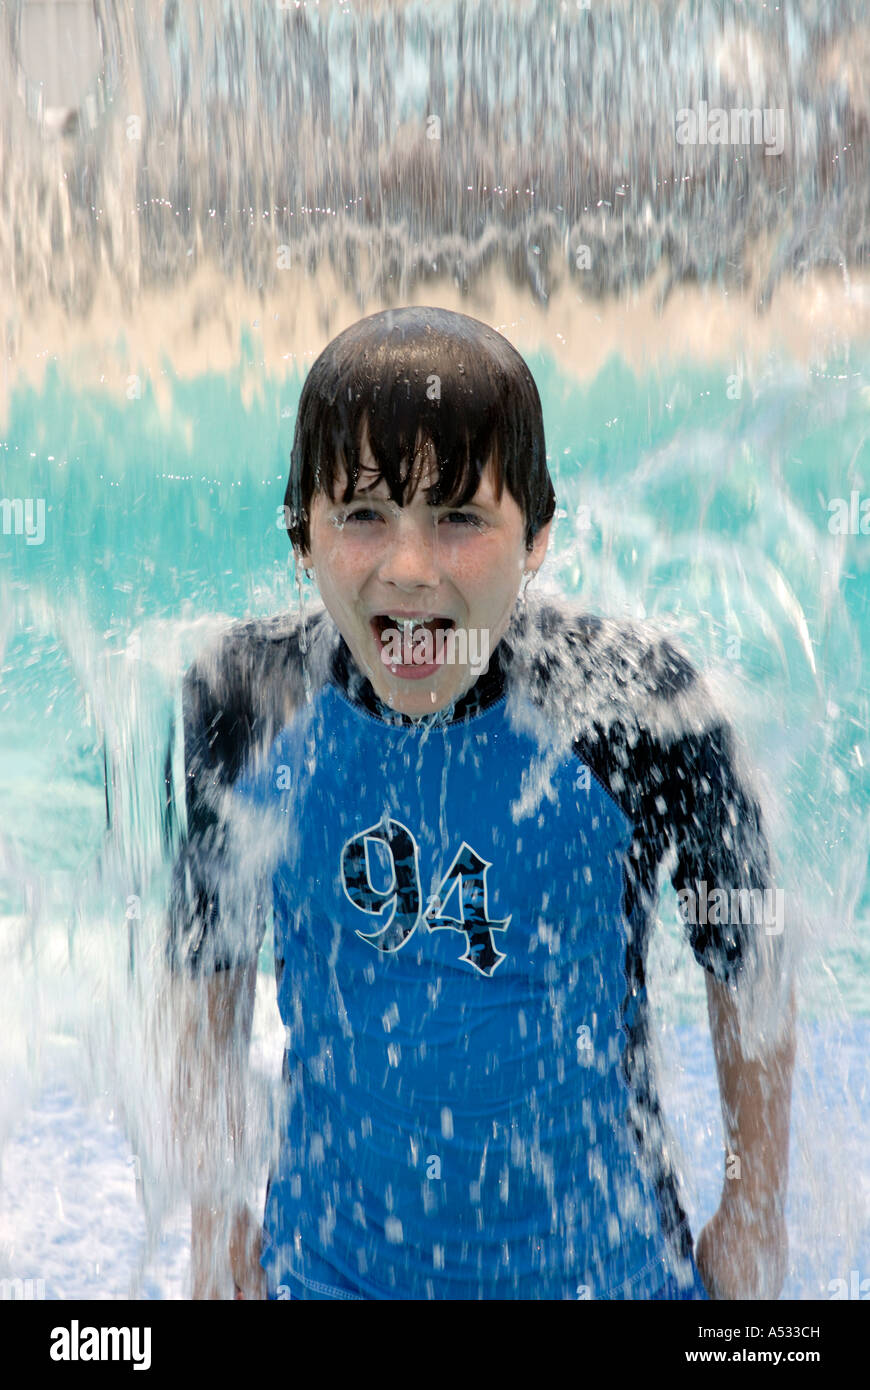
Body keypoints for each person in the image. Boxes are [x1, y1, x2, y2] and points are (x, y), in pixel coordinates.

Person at [167, 306, 795, 1300]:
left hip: (605, 1273)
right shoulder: (248, 702)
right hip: (330, 1271)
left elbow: (750, 950)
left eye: (459, 518)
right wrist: (214, 1227)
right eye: (362, 514)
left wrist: (755, 1213)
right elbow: (205, 968)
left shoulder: (631, 708)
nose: (409, 569)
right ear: (302, 531)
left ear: (537, 530)